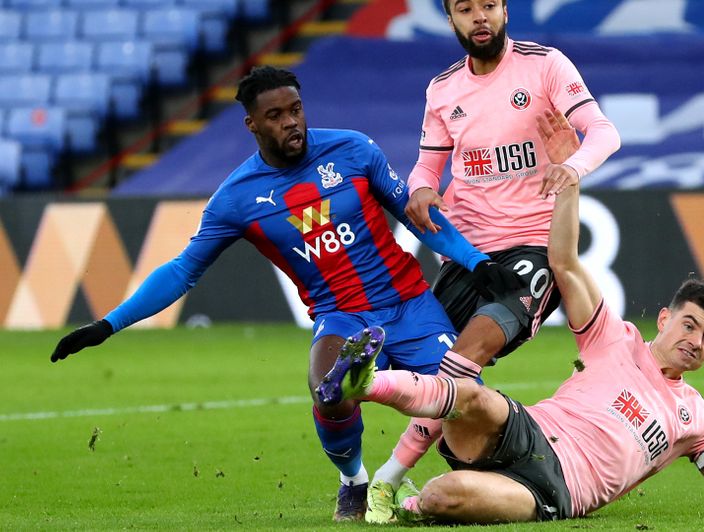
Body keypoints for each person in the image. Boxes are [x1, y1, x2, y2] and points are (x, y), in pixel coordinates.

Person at [315, 110, 704, 523]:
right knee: (472, 393)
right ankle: (366, 383)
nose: (697, 341)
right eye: (691, 325)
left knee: (444, 498)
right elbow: (564, 263)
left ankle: (402, 498)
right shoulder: (611, 339)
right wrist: (568, 174)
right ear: (665, 319)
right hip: (527, 430)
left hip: (558, 492)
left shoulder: (695, 419)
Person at [48, 66, 526, 522]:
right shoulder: (236, 198)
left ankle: (414, 478)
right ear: (251, 124)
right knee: (330, 392)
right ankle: (355, 479)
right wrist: (107, 324)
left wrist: (476, 261)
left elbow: (416, 215)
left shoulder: (353, 149)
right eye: (275, 116)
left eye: (295, 109)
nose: (291, 122)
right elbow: (182, 271)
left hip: (410, 303)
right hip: (341, 316)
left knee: (465, 401)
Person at [364, 0, 622, 520]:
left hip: (533, 250)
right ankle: (456, 465)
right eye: (466, 8)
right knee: (433, 367)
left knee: (464, 357)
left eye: (489, 5)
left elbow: (605, 132)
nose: (479, 16)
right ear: (451, 17)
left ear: (505, 10)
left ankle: (387, 482)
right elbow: (427, 167)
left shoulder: (545, 64)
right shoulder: (443, 89)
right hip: (469, 255)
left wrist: (571, 166)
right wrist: (420, 191)